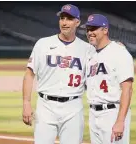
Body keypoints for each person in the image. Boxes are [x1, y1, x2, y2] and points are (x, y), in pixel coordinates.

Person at [22, 4, 95, 144]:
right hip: (46, 107)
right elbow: (29, 73)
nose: (64, 22)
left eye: (69, 19)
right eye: (62, 18)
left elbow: (104, 55)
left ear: (77, 22)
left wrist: (116, 45)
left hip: (73, 108)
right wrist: (26, 103)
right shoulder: (43, 44)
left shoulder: (87, 49)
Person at [83, 14, 134, 144]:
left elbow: (127, 89)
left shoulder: (119, 52)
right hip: (94, 114)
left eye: (94, 28)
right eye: (88, 29)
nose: (90, 32)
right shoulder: (90, 53)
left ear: (105, 30)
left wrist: (120, 121)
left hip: (112, 113)